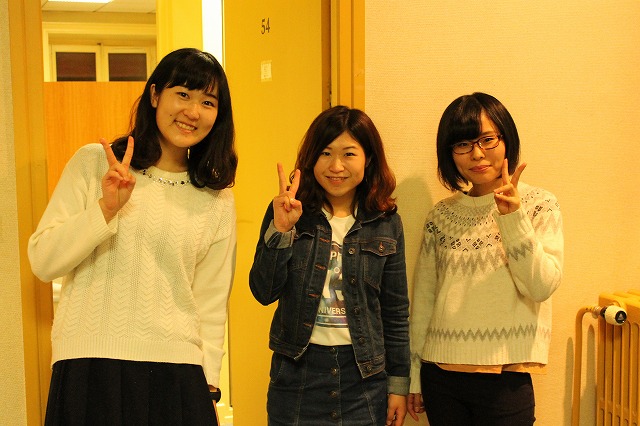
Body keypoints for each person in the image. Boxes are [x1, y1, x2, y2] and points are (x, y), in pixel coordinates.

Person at [28, 47, 237, 426]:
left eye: (208, 102)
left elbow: (210, 301)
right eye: (183, 94)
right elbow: (43, 261)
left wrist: (209, 387)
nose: (193, 112)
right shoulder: (95, 163)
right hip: (90, 362)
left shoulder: (216, 197)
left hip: (178, 371)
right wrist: (105, 209)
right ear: (155, 95)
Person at [406, 92, 564, 425]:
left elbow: (542, 286)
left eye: (487, 140)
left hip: (506, 376)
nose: (476, 154)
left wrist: (513, 217)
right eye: (462, 144)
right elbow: (424, 301)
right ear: (449, 153)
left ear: (506, 139)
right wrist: (415, 375)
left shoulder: (539, 204)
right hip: (441, 375)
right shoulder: (441, 215)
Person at [249, 106, 411, 425]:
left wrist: (398, 385)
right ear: (312, 158)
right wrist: (281, 230)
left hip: (364, 380)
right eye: (325, 153)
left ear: (368, 159)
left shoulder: (386, 222)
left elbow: (395, 311)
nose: (336, 166)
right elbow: (263, 292)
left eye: (349, 154)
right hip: (296, 376)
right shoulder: (290, 212)